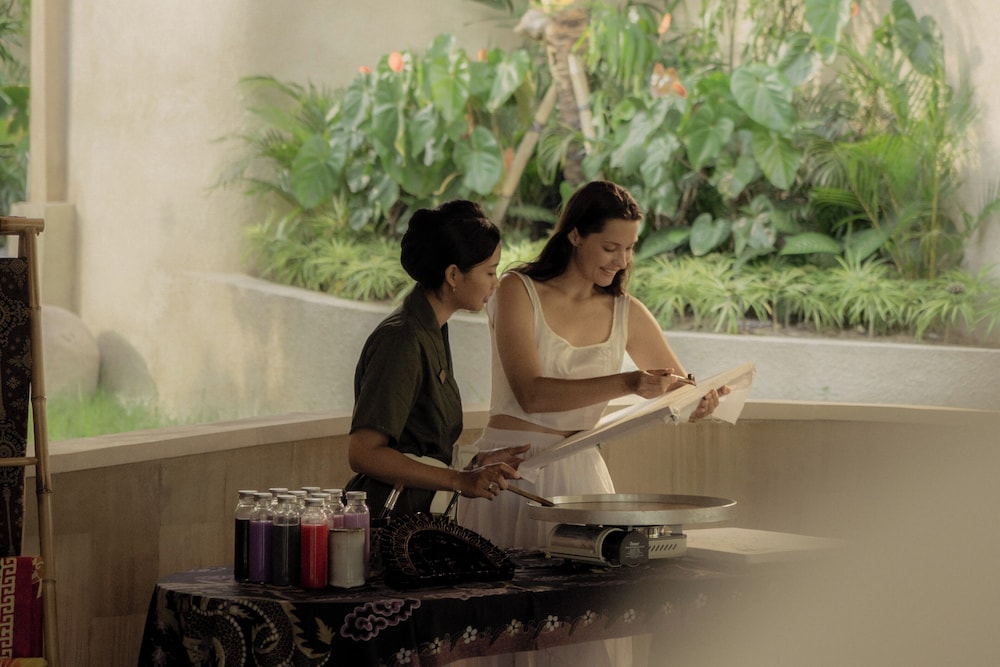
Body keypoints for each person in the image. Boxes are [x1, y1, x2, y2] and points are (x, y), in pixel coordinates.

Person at [456, 181, 727, 667]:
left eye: (629, 248)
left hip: (582, 479)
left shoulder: (627, 312)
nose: (621, 260)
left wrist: (700, 401)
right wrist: (628, 382)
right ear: (576, 234)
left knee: (580, 636)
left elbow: (677, 389)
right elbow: (531, 393)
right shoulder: (518, 289)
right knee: (503, 632)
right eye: (610, 247)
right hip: (509, 474)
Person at [344, 200, 529, 518]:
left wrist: (475, 464)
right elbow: (364, 453)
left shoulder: (432, 328)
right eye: (490, 271)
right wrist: (459, 479)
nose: (496, 282)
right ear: (453, 275)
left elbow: (418, 445)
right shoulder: (402, 339)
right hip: (393, 520)